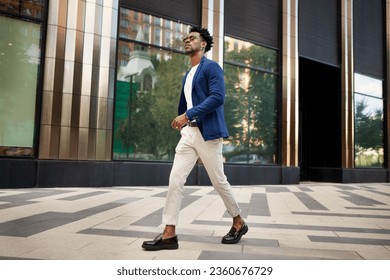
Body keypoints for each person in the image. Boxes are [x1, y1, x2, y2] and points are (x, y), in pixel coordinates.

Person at [142, 26, 248, 250]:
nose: (187, 41)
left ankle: (238, 221)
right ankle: (169, 233)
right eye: (186, 38)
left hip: (207, 133)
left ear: (204, 44)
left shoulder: (211, 68)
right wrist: (183, 121)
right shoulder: (188, 74)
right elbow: (189, 102)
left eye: (192, 38)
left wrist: (188, 114)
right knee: (175, 180)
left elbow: (218, 97)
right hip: (189, 133)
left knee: (218, 181)